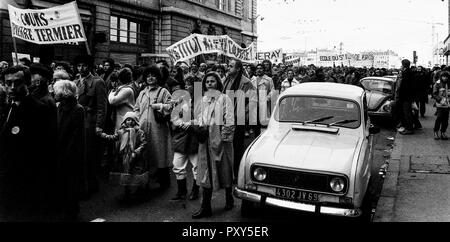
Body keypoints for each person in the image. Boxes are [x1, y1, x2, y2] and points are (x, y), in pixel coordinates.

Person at [0, 65, 56, 221]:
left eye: (16, 83)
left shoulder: (39, 110)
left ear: (27, 83)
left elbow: (46, 150)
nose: (11, 87)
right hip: (7, 179)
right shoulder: (7, 107)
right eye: (7, 83)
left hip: (27, 182)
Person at [192, 72, 235, 219]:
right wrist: (198, 128)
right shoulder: (202, 99)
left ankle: (229, 197)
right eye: (207, 81)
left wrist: (223, 139)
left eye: (213, 81)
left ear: (218, 83)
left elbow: (229, 120)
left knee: (224, 169)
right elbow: (198, 117)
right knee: (205, 173)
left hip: (220, 141)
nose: (209, 84)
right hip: (205, 141)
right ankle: (206, 207)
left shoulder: (224, 98)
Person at [134, 65, 173, 190]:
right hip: (143, 128)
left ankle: (164, 182)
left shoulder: (163, 91)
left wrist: (159, 106)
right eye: (148, 76)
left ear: (158, 77)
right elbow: (136, 109)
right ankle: (147, 181)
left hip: (159, 128)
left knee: (160, 155)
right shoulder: (142, 93)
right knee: (146, 154)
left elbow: (171, 106)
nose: (150, 78)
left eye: (153, 75)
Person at [73, 55, 107, 196]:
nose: (81, 68)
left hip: (90, 122)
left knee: (90, 155)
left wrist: (99, 125)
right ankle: (82, 184)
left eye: (84, 66)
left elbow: (102, 106)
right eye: (79, 66)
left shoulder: (98, 82)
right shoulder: (75, 82)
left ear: (90, 66)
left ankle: (92, 185)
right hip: (78, 122)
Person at [53, 80, 86, 220]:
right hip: (60, 150)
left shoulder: (77, 109)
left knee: (71, 183)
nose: (54, 92)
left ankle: (72, 210)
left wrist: (67, 154)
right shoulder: (60, 106)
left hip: (70, 154)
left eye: (56, 90)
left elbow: (76, 136)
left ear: (64, 92)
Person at [101, 112, 148, 202]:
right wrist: (104, 135)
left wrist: (136, 152)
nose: (129, 122)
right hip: (124, 156)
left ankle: (139, 190)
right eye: (128, 120)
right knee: (125, 172)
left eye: (132, 120)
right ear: (124, 121)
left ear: (135, 121)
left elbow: (143, 143)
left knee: (135, 172)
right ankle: (127, 191)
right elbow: (113, 137)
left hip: (135, 156)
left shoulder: (139, 132)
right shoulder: (121, 132)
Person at [222, 59, 256, 180]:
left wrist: (242, 113)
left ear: (238, 69)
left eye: (231, 66)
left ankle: (237, 174)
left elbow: (253, 100)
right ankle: (226, 173)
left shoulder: (246, 82)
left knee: (237, 148)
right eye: (228, 66)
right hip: (225, 117)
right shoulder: (226, 79)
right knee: (226, 146)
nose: (228, 68)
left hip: (238, 120)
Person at [170, 86, 199, 201]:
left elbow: (204, 118)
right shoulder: (178, 105)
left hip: (194, 139)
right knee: (177, 165)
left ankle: (195, 190)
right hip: (181, 138)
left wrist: (191, 123)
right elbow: (173, 118)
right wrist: (180, 123)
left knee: (196, 166)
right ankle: (181, 191)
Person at [396, 59, 415, 135]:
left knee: (407, 113)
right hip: (407, 96)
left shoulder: (406, 73)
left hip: (406, 97)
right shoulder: (409, 72)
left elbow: (405, 87)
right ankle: (408, 127)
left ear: (403, 65)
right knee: (407, 112)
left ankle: (409, 129)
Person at [432, 71, 450, 140]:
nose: (445, 78)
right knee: (439, 118)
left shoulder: (449, 83)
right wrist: (440, 100)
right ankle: (436, 132)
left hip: (447, 104)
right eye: (443, 76)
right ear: (441, 76)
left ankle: (443, 132)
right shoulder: (438, 83)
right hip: (440, 104)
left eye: (446, 77)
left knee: (445, 119)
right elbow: (434, 94)